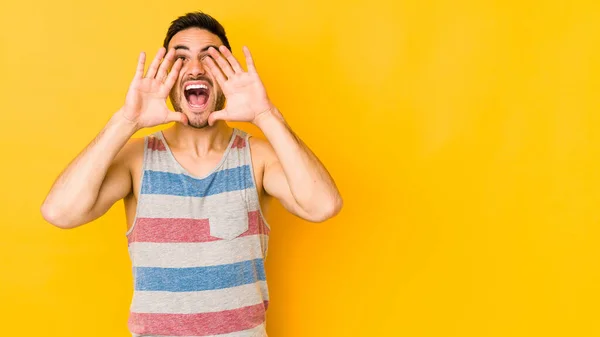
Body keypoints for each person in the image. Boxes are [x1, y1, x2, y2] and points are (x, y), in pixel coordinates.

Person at [40, 11, 343, 337]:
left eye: (209, 58)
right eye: (181, 58)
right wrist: (126, 121)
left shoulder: (257, 158)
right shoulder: (137, 160)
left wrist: (266, 115)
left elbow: (323, 206)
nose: (195, 68)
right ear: (168, 75)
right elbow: (59, 212)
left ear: (227, 73)